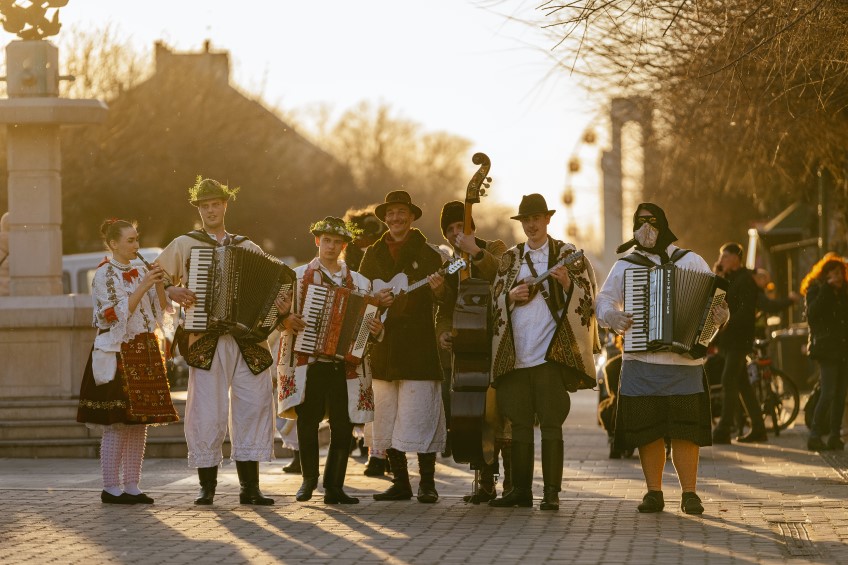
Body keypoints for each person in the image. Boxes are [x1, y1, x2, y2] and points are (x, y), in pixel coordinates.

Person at [156, 177, 291, 506]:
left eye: (215, 204)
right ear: (199, 209)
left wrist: (279, 308)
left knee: (254, 405)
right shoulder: (185, 244)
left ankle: (250, 488)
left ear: (226, 206)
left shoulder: (247, 246)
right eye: (204, 206)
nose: (210, 210)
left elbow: (275, 283)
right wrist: (172, 290)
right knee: (206, 409)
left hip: (248, 340)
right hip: (205, 337)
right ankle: (207, 487)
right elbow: (154, 274)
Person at [596, 203, 729, 515]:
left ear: (663, 225)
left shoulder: (692, 260)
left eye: (651, 222)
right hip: (641, 362)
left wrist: (722, 317)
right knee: (647, 429)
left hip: (685, 363)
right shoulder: (625, 265)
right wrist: (612, 317)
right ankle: (654, 492)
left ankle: (690, 493)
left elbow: (715, 298)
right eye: (639, 222)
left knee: (686, 429)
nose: (645, 228)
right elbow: (603, 300)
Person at [488, 194, 600, 511]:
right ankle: (521, 491)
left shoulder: (567, 255)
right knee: (520, 424)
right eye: (526, 219)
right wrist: (510, 296)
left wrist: (568, 285)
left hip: (551, 357)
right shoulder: (509, 260)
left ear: (548, 220)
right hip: (516, 357)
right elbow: (492, 304)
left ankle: (551, 493)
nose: (531, 224)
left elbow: (588, 301)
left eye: (537, 218)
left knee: (552, 425)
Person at [277, 216, 386, 504]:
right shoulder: (297, 276)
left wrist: (375, 330)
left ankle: (334, 486)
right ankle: (308, 481)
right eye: (326, 240)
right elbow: (275, 315)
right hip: (309, 363)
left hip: (344, 365)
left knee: (343, 423)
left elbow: (368, 329)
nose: (331, 246)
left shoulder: (361, 283)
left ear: (344, 246)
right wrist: (286, 319)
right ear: (317, 241)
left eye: (337, 242)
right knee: (307, 420)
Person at [77, 219, 179, 504]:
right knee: (117, 422)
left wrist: (158, 283)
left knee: (139, 422)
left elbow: (161, 311)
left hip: (145, 346)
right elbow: (113, 315)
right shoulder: (105, 274)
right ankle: (111, 487)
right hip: (119, 348)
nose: (136, 245)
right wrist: (144, 283)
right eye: (130, 240)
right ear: (113, 244)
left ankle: (132, 485)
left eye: (137, 239)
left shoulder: (142, 269)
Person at [358, 190, 448, 503]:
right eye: (391, 213)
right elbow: (361, 297)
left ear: (411, 217)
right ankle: (400, 483)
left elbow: (446, 300)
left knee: (419, 412)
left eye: (401, 213)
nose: (396, 218)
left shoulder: (429, 254)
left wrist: (439, 291)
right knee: (387, 415)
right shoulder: (372, 253)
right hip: (383, 344)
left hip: (418, 345)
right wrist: (374, 303)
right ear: (384, 218)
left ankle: (427, 483)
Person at [434, 200, 511, 503]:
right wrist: (442, 331)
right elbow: (448, 305)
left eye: (460, 227)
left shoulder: (494, 248)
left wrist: (475, 251)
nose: (456, 234)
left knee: (497, 415)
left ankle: (512, 481)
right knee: (473, 416)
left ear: (471, 227)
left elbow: (502, 275)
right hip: (467, 351)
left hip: (495, 343)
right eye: (450, 230)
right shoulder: (453, 264)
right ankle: (484, 482)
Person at [711, 242, 767, 444]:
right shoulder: (728, 278)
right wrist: (717, 273)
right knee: (742, 383)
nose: (721, 260)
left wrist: (727, 320)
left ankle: (723, 429)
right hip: (728, 339)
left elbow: (744, 312)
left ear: (736, 257)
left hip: (739, 339)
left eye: (725, 257)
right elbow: (715, 299)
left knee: (728, 380)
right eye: (721, 257)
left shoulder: (746, 280)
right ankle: (759, 428)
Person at [801, 253, 848, 451]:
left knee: (840, 394)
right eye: (833, 272)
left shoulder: (844, 292)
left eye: (840, 273)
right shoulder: (816, 289)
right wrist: (828, 289)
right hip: (826, 349)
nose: (837, 276)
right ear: (825, 273)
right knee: (828, 392)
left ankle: (835, 436)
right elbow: (812, 314)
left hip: (844, 348)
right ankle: (815, 435)